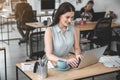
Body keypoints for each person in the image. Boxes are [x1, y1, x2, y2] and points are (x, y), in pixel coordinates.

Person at [44, 2, 82, 68]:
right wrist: (65, 61)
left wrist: (78, 54)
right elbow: (49, 55)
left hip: (66, 61)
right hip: (52, 63)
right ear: (59, 15)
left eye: (72, 17)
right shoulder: (50, 30)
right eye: (67, 17)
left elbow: (77, 48)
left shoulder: (73, 29)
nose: (70, 20)